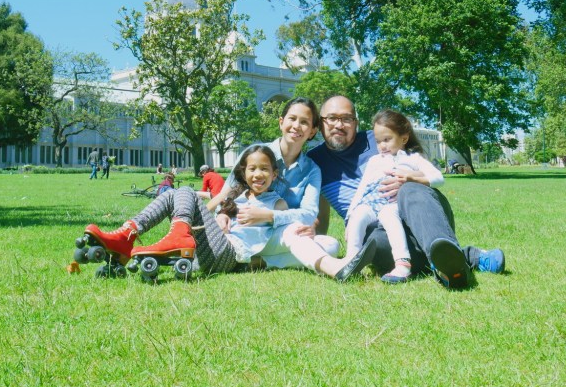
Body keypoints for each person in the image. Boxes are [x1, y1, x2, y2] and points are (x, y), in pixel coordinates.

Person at [308, 96, 506, 289]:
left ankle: (448, 255)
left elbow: (421, 164)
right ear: (320, 122)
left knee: (410, 189)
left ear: (356, 122)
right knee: (374, 244)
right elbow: (320, 215)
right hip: (375, 229)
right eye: (332, 118)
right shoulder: (314, 161)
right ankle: (461, 260)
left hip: (420, 210)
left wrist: (407, 178)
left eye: (347, 118)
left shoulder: (377, 137)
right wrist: (306, 241)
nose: (339, 125)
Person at [211, 97, 375, 280]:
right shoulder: (255, 154)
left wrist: (270, 216)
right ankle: (337, 269)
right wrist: (221, 214)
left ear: (313, 131)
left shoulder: (311, 169)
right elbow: (228, 194)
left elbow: (309, 213)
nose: (297, 126)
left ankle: (258, 262)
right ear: (281, 122)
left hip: (278, 237)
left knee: (331, 245)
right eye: (292, 119)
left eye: (304, 122)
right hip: (246, 231)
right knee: (295, 231)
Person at [82, 145, 287, 274]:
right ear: (244, 173)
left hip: (230, 255)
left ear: (274, 174)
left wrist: (266, 221)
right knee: (173, 194)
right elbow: (204, 209)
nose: (258, 174)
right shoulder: (238, 194)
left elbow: (288, 235)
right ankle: (126, 235)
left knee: (185, 190)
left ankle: (159, 236)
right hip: (212, 246)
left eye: (264, 169)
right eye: (252, 169)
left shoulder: (277, 203)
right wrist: (220, 216)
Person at [344, 109, 444, 284]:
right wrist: (350, 214)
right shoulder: (375, 160)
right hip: (371, 200)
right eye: (378, 141)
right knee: (357, 217)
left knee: (389, 217)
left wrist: (412, 177)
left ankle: (402, 263)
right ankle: (351, 260)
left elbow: (438, 178)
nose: (382, 146)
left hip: (392, 202)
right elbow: (362, 187)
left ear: (404, 138)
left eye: (387, 139)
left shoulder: (413, 159)